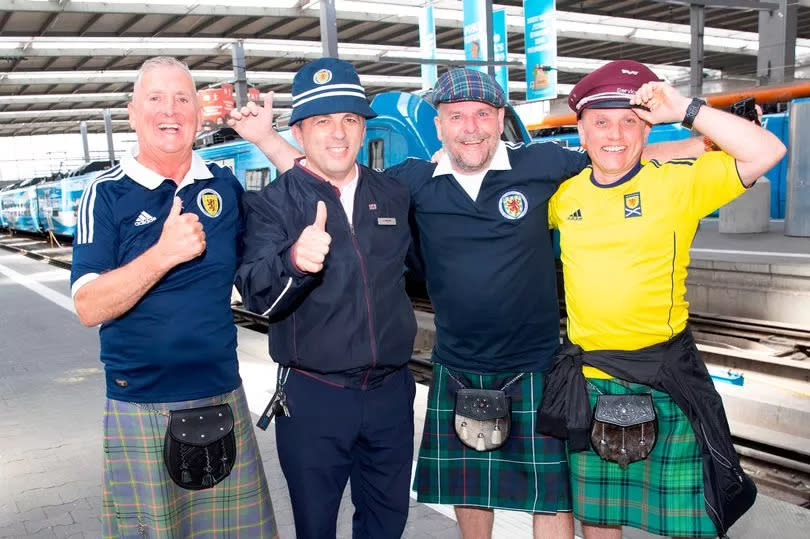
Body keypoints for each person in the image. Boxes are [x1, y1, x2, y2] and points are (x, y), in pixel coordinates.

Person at [228, 66, 700, 539]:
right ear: (438, 125)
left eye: (481, 115)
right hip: (454, 365)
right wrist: (267, 142)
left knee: (546, 495)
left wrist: (694, 140)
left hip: (536, 364)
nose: (469, 128)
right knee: (464, 495)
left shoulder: (539, 165)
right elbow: (328, 170)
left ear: (499, 119)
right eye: (456, 116)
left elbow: (612, 159)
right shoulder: (410, 180)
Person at [538, 60, 785, 539]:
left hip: (665, 375)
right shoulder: (562, 197)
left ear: (646, 130)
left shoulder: (678, 183)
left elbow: (767, 149)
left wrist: (685, 109)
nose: (615, 134)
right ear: (581, 134)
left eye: (630, 121)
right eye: (601, 122)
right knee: (599, 519)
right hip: (590, 380)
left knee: (688, 524)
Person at [70, 56, 277, 538]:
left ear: (199, 114)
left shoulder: (223, 185)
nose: (171, 110)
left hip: (221, 392)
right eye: (156, 98)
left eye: (183, 98)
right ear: (132, 112)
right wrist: (162, 255)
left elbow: (269, 255)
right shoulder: (104, 194)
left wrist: (267, 140)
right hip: (139, 405)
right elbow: (87, 306)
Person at [233, 57, 418, 539]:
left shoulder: (394, 194)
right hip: (314, 399)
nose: (338, 134)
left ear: (362, 129)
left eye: (350, 120)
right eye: (322, 122)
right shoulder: (271, 204)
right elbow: (257, 297)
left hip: (390, 396)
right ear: (298, 131)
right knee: (315, 527)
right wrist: (294, 262)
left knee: (386, 523)